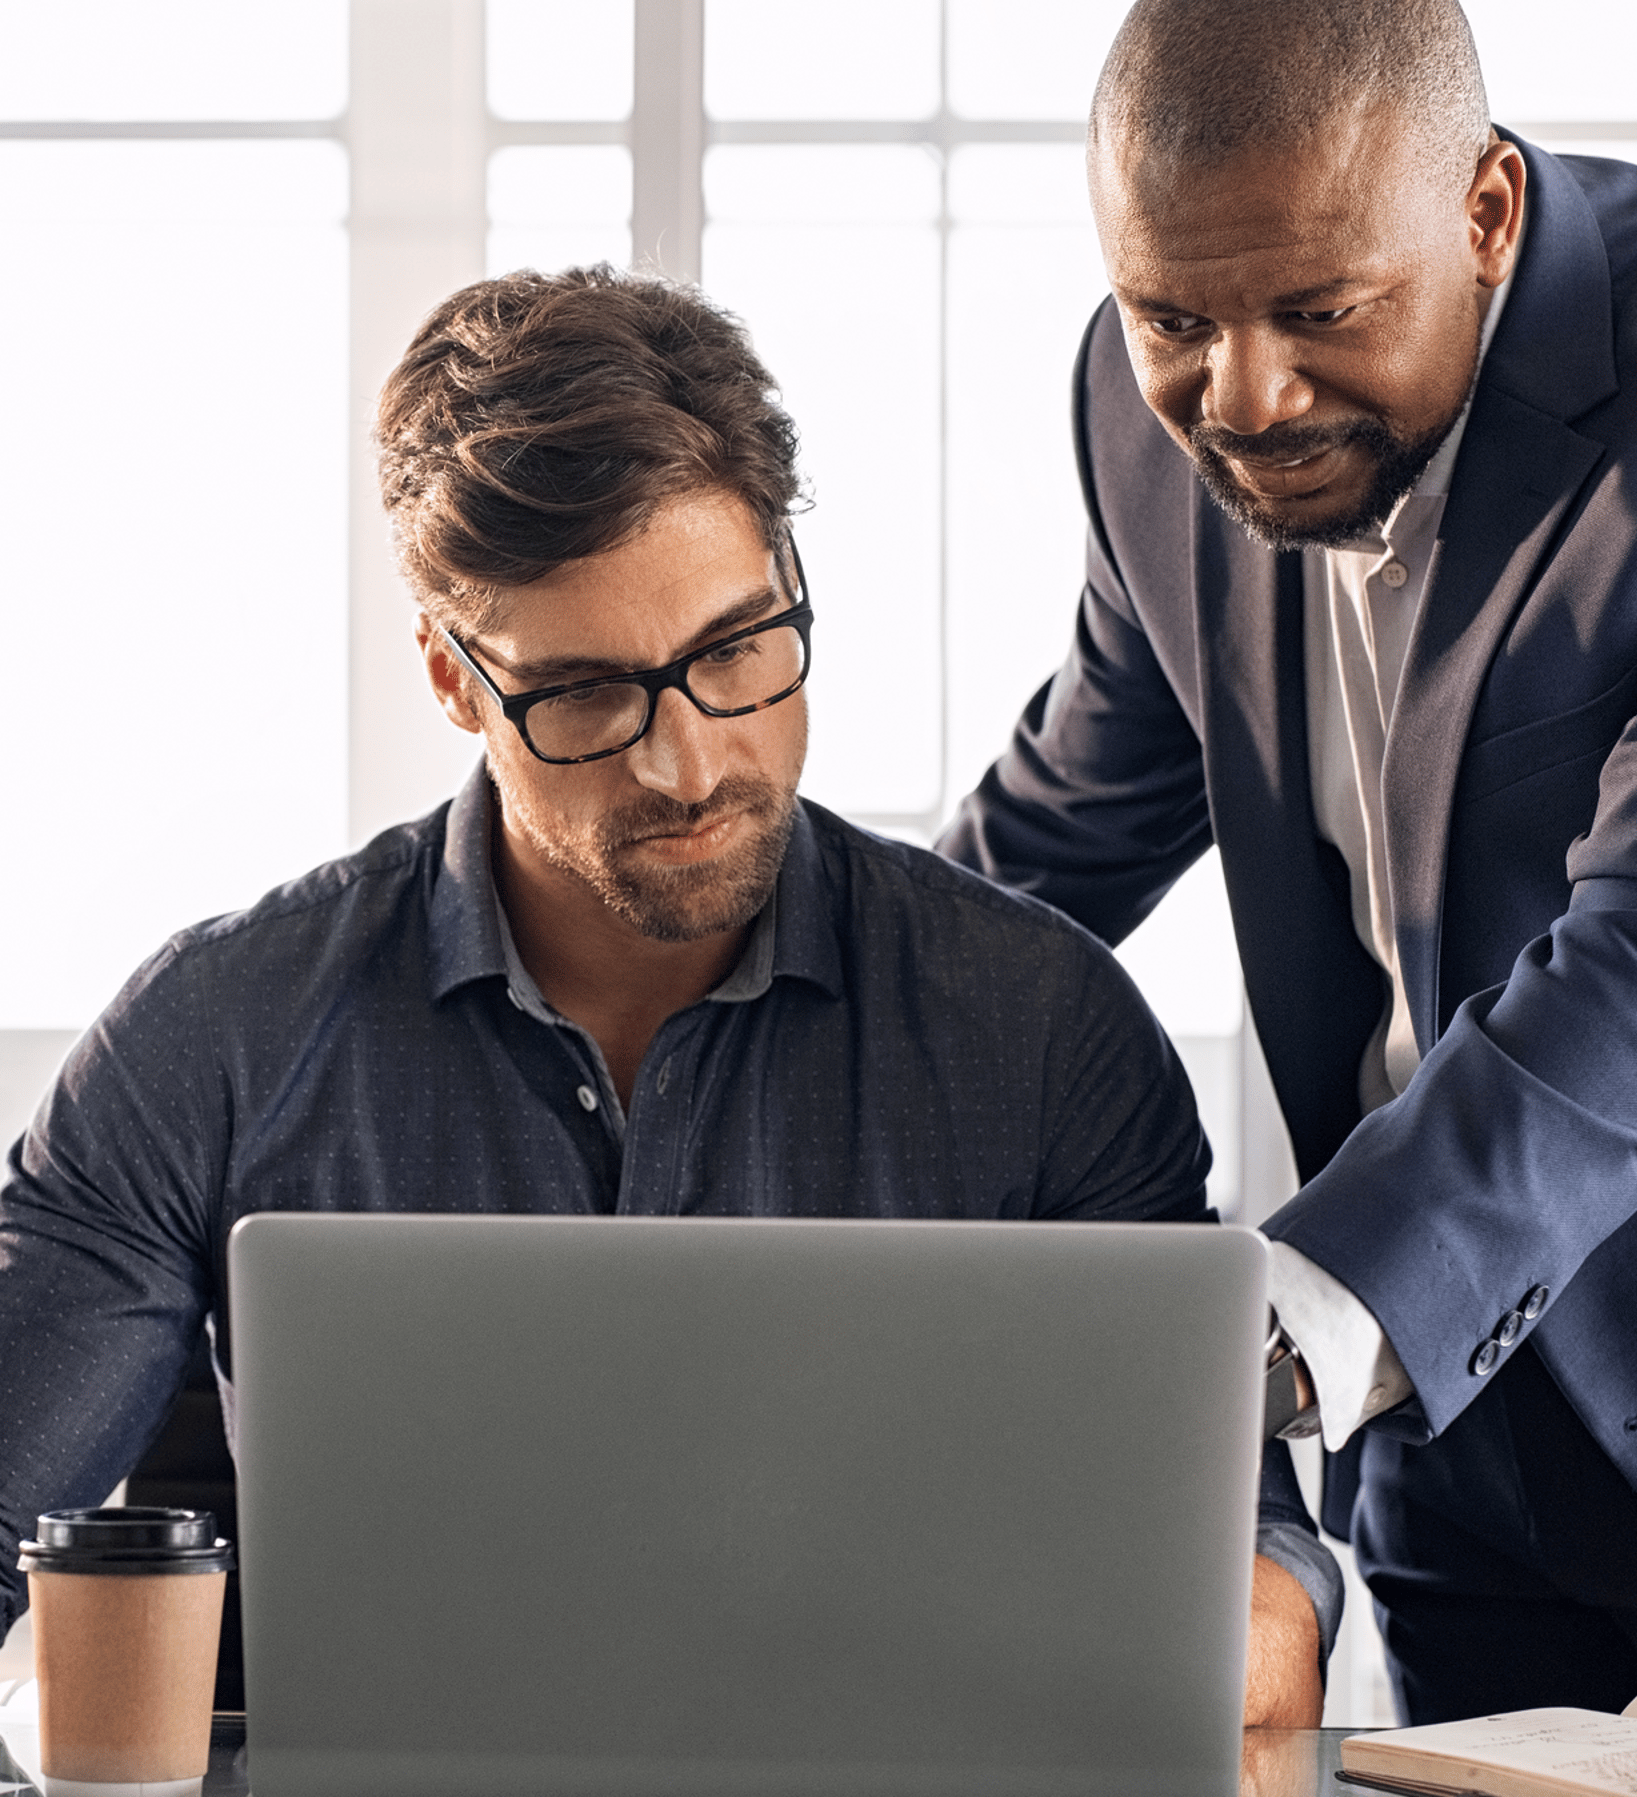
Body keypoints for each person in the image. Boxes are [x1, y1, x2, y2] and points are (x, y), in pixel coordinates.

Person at [0, 268, 1336, 1723]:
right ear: (454, 677)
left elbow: (1251, 1566)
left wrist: (1230, 1642)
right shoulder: (215, 1038)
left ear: (792, 585)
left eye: (735, 652)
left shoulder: (1044, 1031)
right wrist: (49, 1690)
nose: (688, 765)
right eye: (584, 694)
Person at [940, 0, 1637, 1721]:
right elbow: (1052, 843)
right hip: (1452, 1448)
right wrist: (771, 1054)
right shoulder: (1135, 411)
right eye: (1175, 320)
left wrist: (1280, 1337)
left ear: (1484, 215)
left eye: (1320, 312)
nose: (1238, 399)